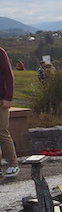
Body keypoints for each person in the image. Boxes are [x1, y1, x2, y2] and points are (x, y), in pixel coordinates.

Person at [1, 47, 18, 177]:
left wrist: (8, 98)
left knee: (2, 132)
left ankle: (13, 164)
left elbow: (9, 75)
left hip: (1, 100)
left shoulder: (0, 53)